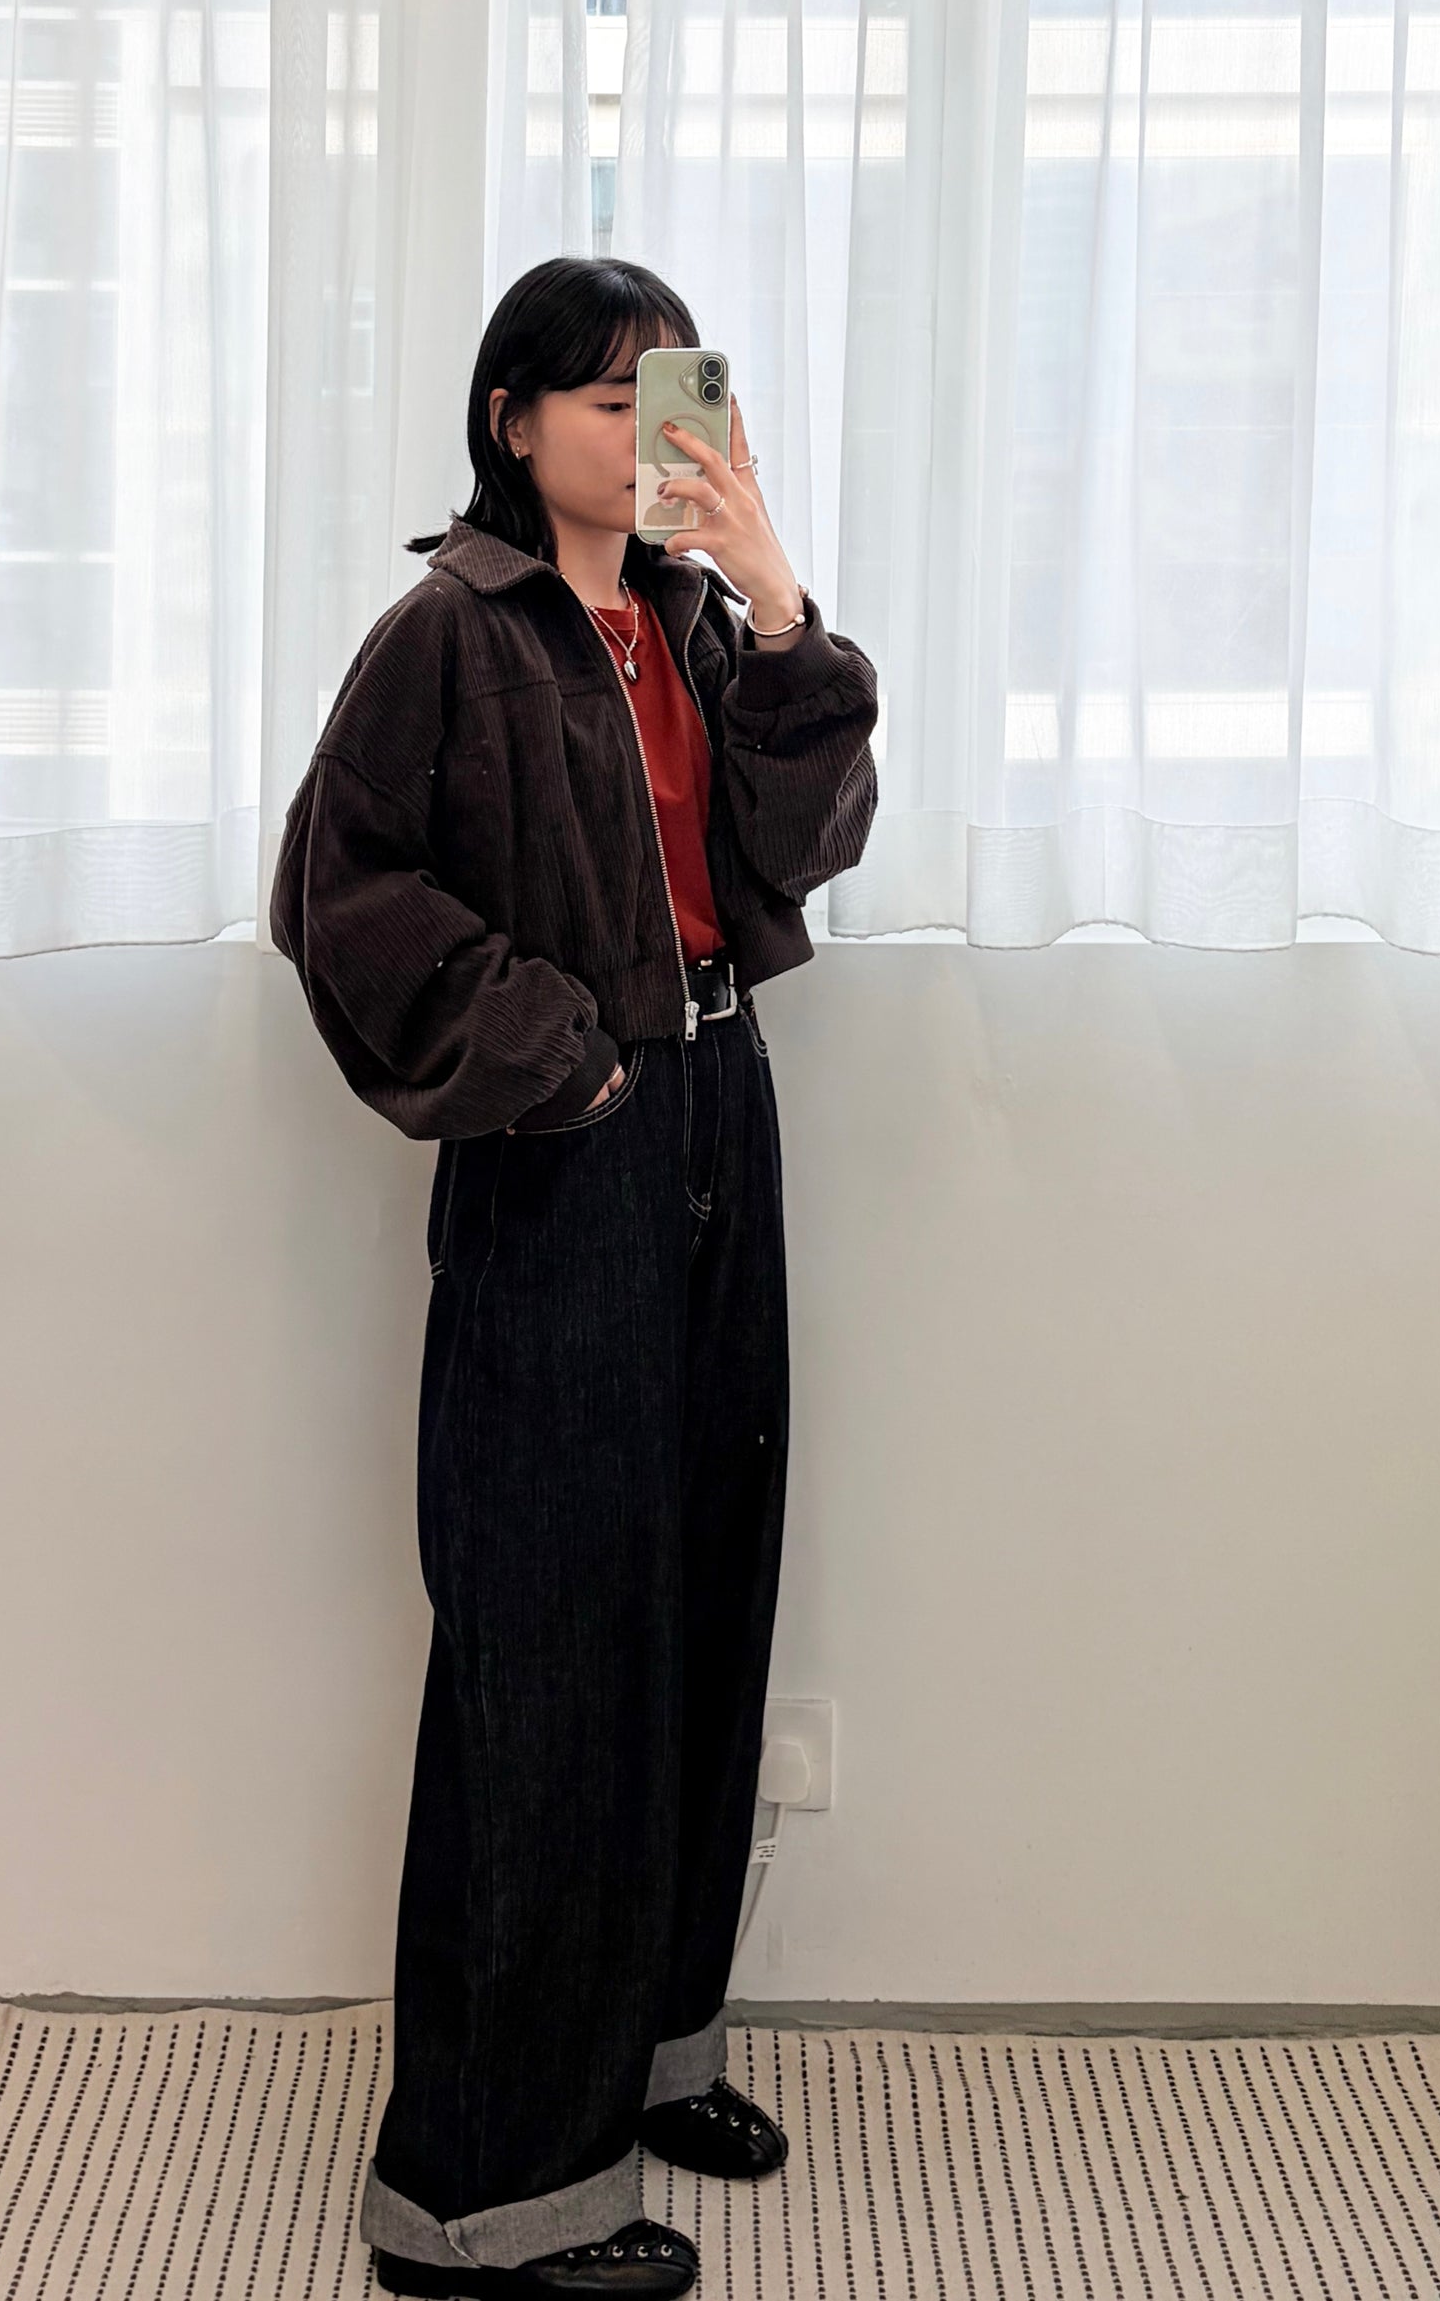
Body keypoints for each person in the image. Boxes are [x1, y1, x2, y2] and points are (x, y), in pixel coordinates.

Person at [268, 256, 879, 2299]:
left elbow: (804, 843)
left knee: (701, 1597)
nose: (643, 432)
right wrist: (557, 1050)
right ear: (511, 418)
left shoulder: (696, 621)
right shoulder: (451, 632)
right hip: (571, 1147)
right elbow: (340, 894)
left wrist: (776, 596)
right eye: (605, 400)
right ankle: (479, 2198)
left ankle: (645, 2053)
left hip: (722, 1117)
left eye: (668, 393)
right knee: (547, 1645)